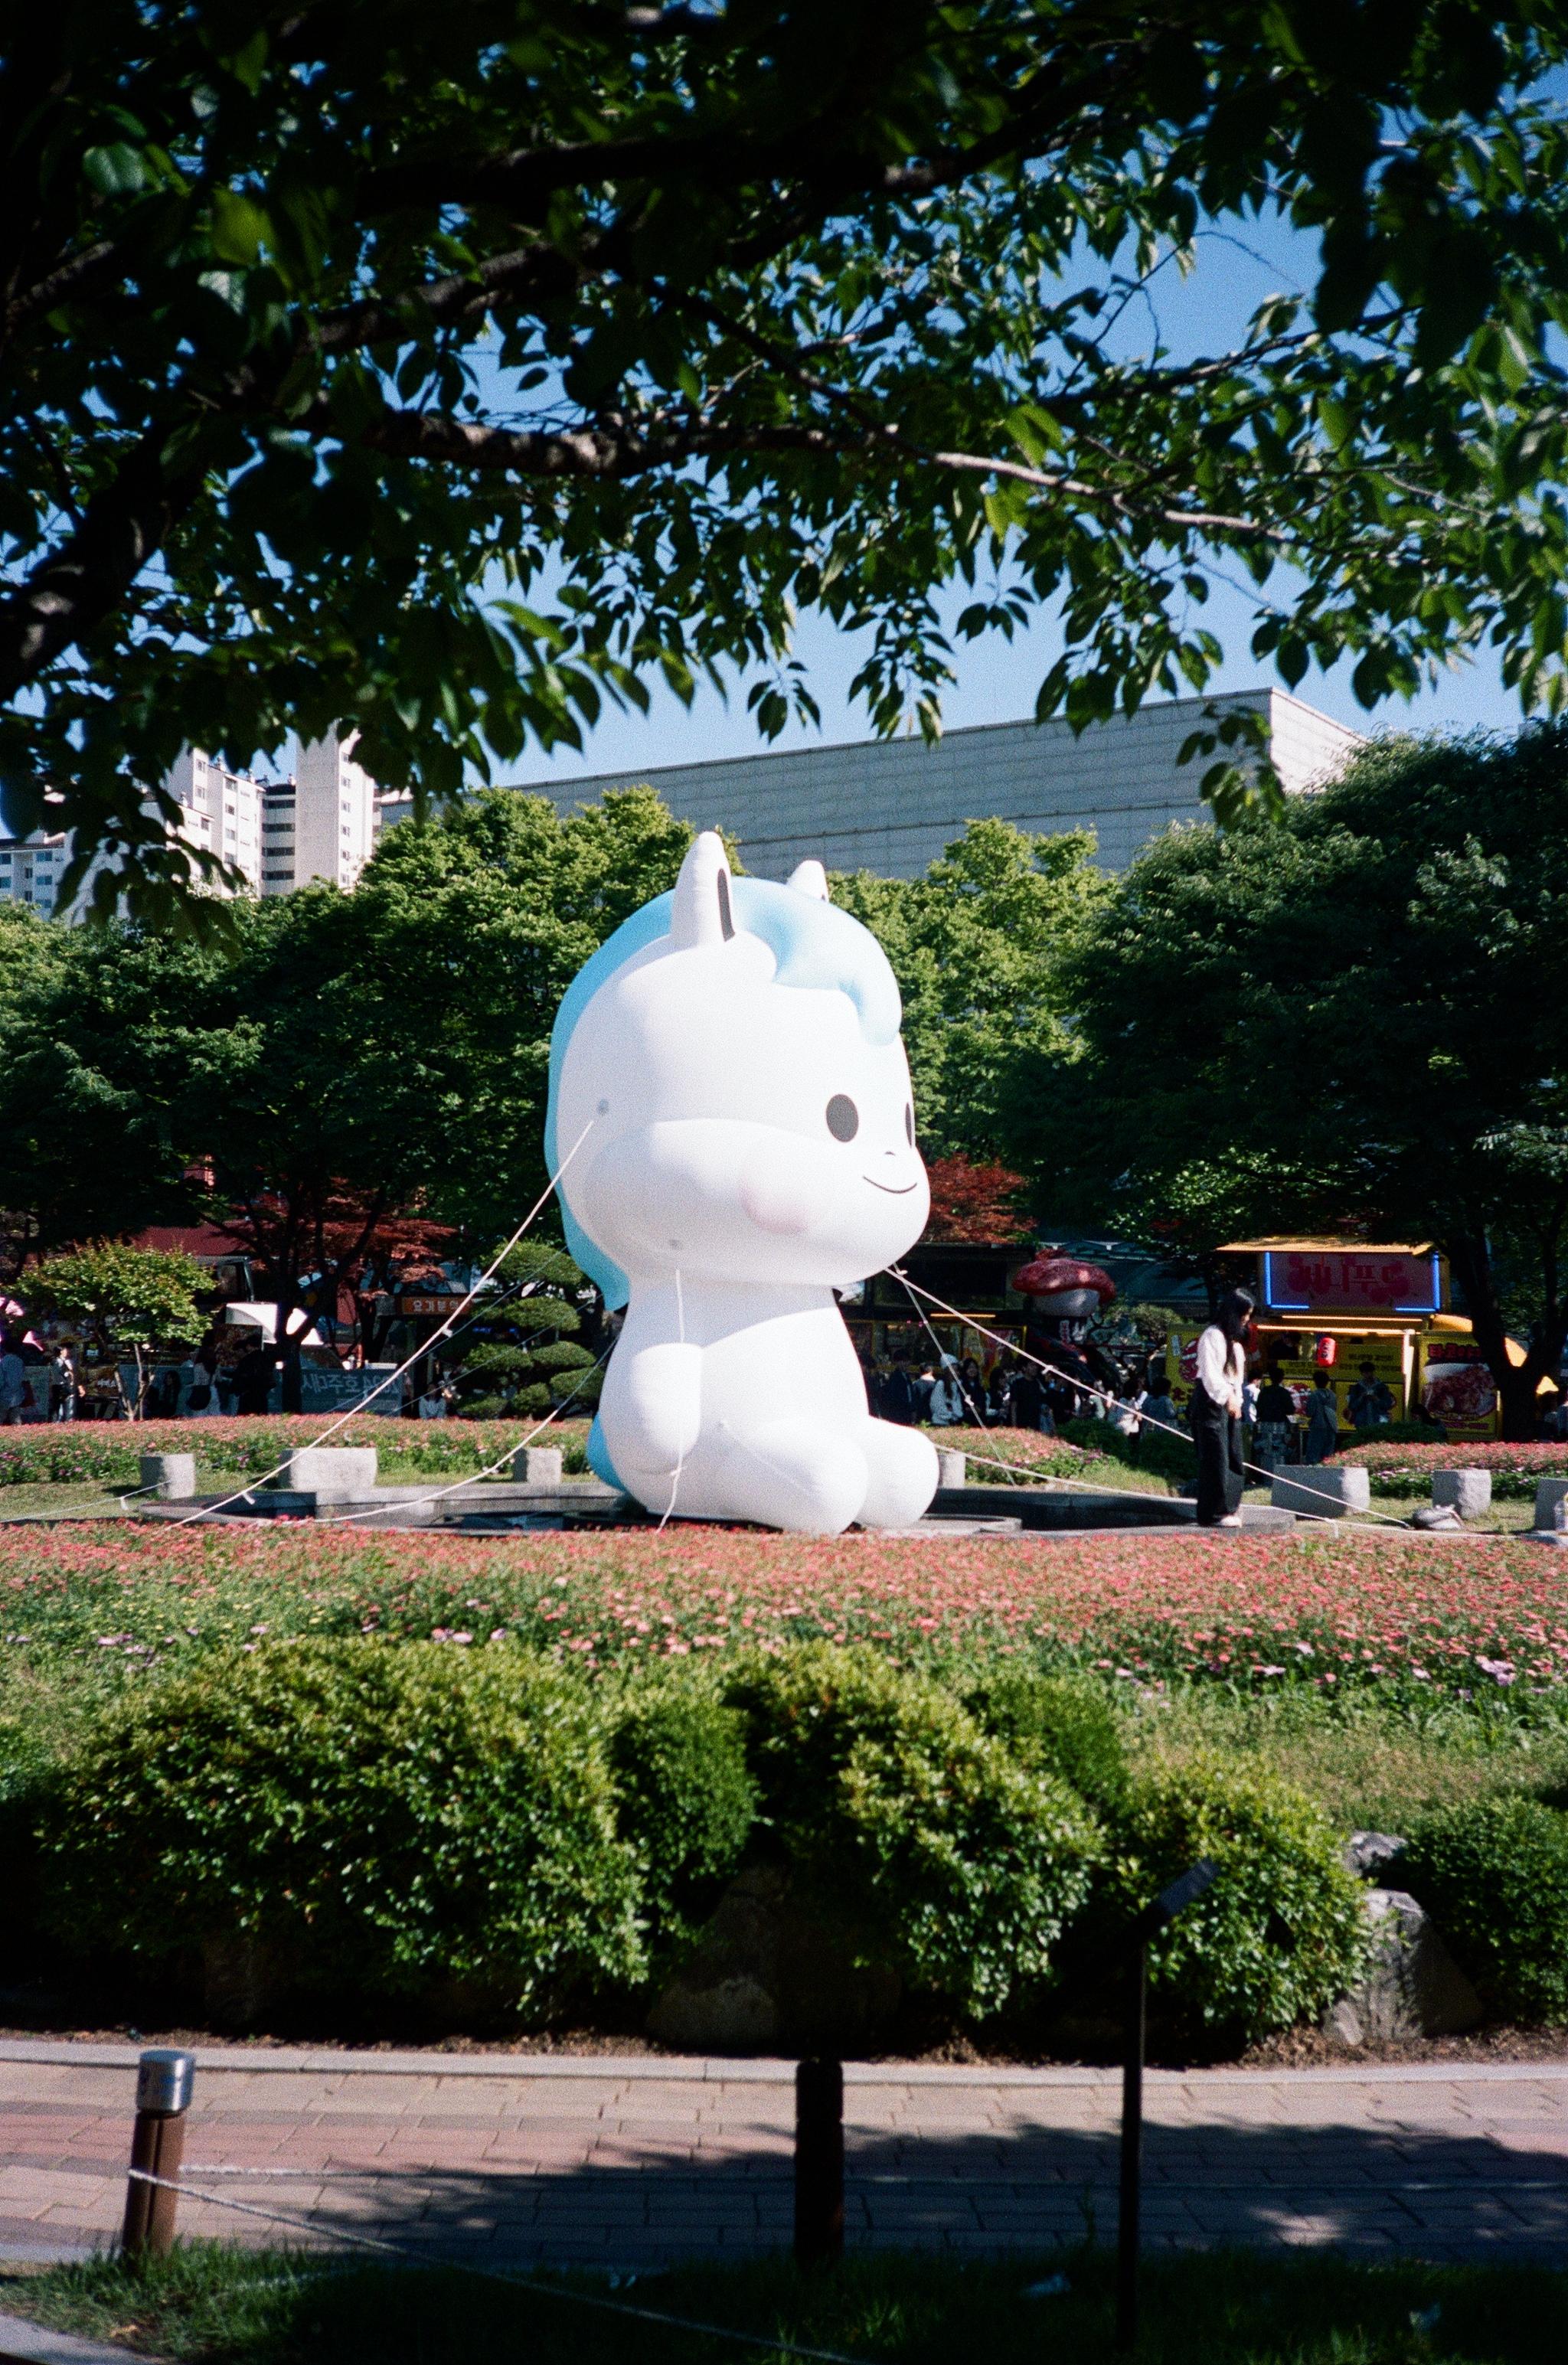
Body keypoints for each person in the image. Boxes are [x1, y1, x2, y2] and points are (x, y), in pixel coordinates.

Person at [1191, 1287, 1253, 1527]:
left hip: (1230, 1402)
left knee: (1234, 1456)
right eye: (1244, 1314)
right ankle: (1213, 1513)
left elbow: (1237, 1379)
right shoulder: (1212, 1336)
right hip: (1211, 1402)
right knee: (1215, 1456)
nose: (1246, 1319)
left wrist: (1237, 1399)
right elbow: (1210, 1375)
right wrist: (1228, 1397)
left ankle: (1230, 1506)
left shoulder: (1235, 1345)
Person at [1253, 1364, 1295, 1472]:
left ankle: (1264, 1472)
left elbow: (1258, 1409)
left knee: (1264, 1450)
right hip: (1280, 1425)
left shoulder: (1264, 1391)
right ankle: (1278, 1472)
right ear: (1282, 1378)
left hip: (1264, 1425)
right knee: (1280, 1450)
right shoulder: (1284, 1393)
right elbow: (1291, 1410)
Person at [233, 1339, 280, 1417]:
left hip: (248, 1394)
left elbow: (240, 1377)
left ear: (249, 1346)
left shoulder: (247, 1360)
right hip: (262, 1394)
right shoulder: (266, 1358)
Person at [1305, 1369, 1341, 1464]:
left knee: (1314, 1455)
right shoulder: (1333, 1395)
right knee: (1328, 1456)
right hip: (1331, 1427)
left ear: (1315, 1382)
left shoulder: (1314, 1395)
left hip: (1318, 1427)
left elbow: (1309, 1413)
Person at [1347, 1361, 1394, 1432]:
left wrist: (1376, 1399)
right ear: (1362, 1373)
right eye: (1365, 1373)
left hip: (1379, 1423)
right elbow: (1352, 1406)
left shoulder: (1382, 1387)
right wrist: (1361, 1398)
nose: (1367, 1375)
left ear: (1373, 1372)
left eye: (1369, 1372)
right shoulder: (1356, 1388)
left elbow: (1388, 1405)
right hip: (1362, 1423)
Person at [879, 1351, 918, 1426]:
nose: (905, 1364)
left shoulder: (907, 1376)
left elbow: (910, 1395)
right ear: (897, 1363)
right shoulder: (895, 1377)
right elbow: (894, 1397)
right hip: (898, 1413)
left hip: (907, 1412)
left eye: (907, 1361)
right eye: (903, 1361)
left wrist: (913, 1409)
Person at [927, 1357, 965, 1426]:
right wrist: (949, 1414)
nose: (958, 1373)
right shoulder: (941, 1384)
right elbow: (937, 1404)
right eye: (955, 1370)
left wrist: (956, 1413)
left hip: (953, 1421)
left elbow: (957, 1404)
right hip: (940, 1421)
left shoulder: (956, 1385)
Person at [0, 1331, 27, 1426]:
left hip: (4, 1395)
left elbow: (1, 1380)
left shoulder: (3, 1362)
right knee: (16, 1421)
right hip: (17, 1394)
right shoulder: (20, 1361)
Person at [47, 1344, 77, 1423]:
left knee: (61, 1404)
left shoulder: (57, 1361)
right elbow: (62, 1373)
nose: (67, 1351)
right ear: (61, 1352)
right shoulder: (58, 1362)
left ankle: (61, 1420)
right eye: (65, 1350)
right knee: (61, 1404)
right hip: (60, 1385)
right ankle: (60, 1420)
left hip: (60, 1385)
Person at [1009, 1365, 1044, 1431]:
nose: (1035, 1368)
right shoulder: (1018, 1384)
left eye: (1035, 1366)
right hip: (1021, 1423)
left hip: (1035, 1424)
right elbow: (1014, 1406)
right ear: (1024, 1368)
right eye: (1031, 1365)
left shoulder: (1037, 1384)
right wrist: (1014, 1426)